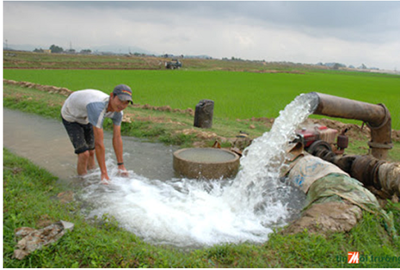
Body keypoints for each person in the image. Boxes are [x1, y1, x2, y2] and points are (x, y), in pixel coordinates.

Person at [61, 84, 133, 183]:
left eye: (126, 103)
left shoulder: (118, 112)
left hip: (86, 116)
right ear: (112, 96)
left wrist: (121, 166)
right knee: (84, 154)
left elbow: (117, 137)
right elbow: (99, 143)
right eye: (120, 101)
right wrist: (104, 173)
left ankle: (92, 176)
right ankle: (83, 184)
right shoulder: (97, 108)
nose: (122, 105)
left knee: (91, 152)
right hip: (71, 114)